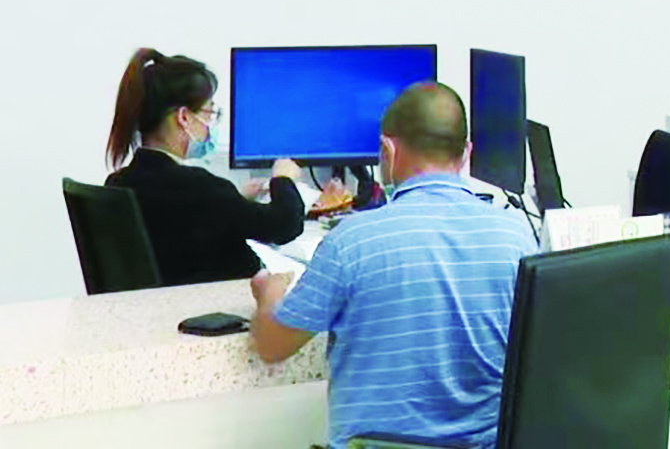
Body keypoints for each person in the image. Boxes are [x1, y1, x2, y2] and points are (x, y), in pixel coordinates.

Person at [249, 83, 539, 449]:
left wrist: (269, 296)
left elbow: (272, 346)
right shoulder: (517, 236)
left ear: (387, 150)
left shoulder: (351, 241)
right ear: (466, 153)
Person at [104, 48, 307, 285]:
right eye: (209, 113)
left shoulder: (119, 183)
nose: (210, 125)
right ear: (184, 117)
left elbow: (183, 220)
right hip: (224, 301)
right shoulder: (200, 187)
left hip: (166, 301)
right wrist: (283, 180)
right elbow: (283, 226)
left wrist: (236, 199)